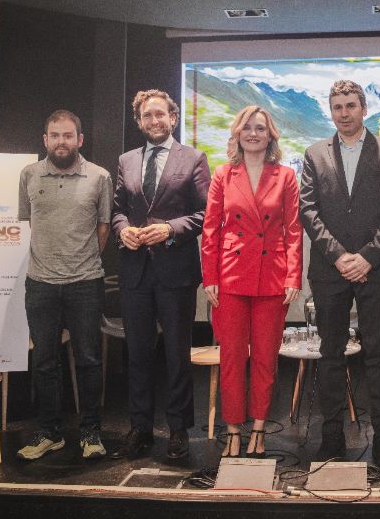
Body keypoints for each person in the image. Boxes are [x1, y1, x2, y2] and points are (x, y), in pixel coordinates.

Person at [299, 79, 380, 471]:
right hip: (329, 272)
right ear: (331, 111)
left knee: (379, 355)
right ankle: (331, 439)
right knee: (330, 356)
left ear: (364, 108)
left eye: (350, 106)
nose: (344, 113)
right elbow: (308, 211)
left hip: (376, 271)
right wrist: (341, 257)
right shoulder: (313, 154)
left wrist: (365, 258)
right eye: (337, 107)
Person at [110, 89, 209, 461]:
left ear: (173, 117)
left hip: (176, 270)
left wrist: (171, 229)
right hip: (136, 271)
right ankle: (140, 428)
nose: (154, 121)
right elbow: (118, 210)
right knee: (137, 354)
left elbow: (204, 214)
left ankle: (179, 429)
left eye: (160, 115)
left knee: (176, 353)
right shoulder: (126, 160)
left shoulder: (194, 159)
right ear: (139, 121)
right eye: (147, 116)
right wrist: (121, 230)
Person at [201, 106, 303, 458]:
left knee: (265, 359)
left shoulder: (286, 176)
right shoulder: (222, 174)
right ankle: (232, 429)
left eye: (261, 128)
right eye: (248, 128)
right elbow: (210, 229)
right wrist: (210, 276)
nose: (254, 133)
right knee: (231, 358)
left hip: (272, 278)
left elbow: (293, 230)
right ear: (238, 133)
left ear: (270, 134)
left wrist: (293, 275)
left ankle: (258, 427)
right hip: (229, 276)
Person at [16, 110, 112, 460]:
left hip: (85, 282)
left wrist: (76, 261)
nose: (61, 141)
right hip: (40, 283)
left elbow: (103, 230)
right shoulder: (28, 175)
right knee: (44, 361)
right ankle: (49, 433)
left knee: (88, 360)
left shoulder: (99, 177)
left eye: (68, 135)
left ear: (80, 140)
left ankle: (90, 434)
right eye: (55, 135)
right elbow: (32, 224)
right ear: (45, 140)